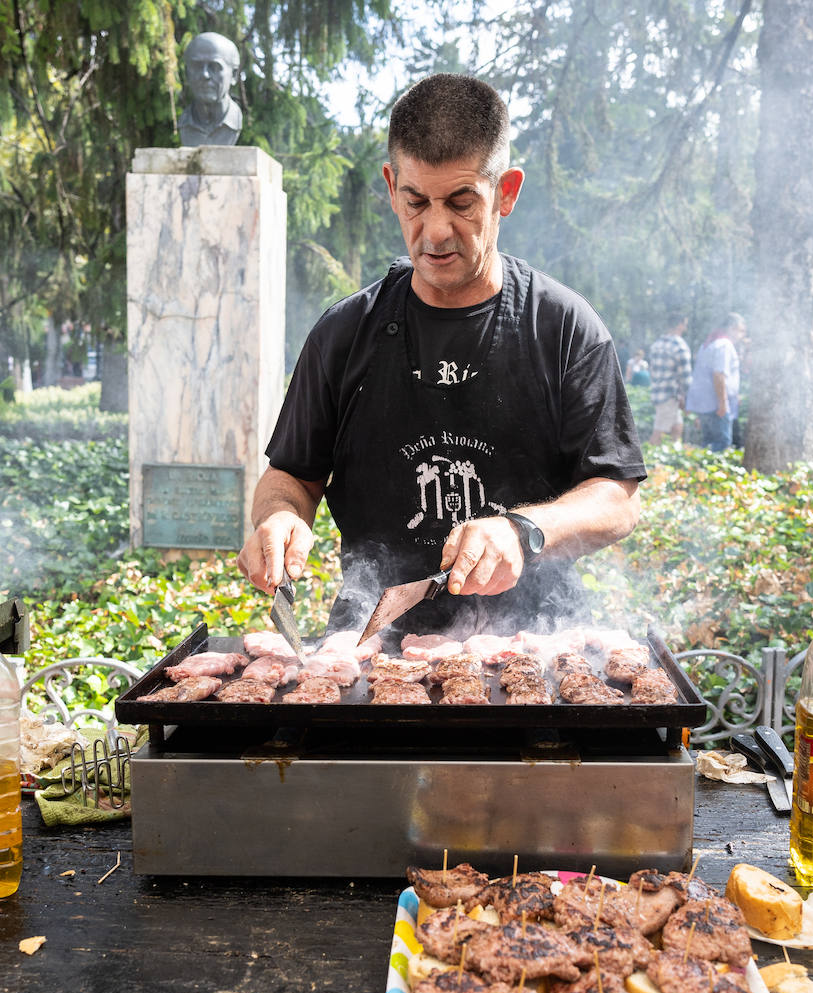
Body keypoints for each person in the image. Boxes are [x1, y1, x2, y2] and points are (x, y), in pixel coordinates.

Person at [237, 74, 645, 636]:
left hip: (535, 650)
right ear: (391, 186)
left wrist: (523, 529)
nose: (434, 232)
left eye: (461, 202)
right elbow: (291, 475)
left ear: (505, 192)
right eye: (416, 201)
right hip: (371, 649)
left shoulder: (564, 328)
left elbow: (617, 497)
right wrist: (279, 516)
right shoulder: (344, 333)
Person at [683, 313, 747, 452]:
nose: (742, 335)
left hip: (706, 403)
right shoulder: (724, 345)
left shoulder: (709, 343)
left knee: (709, 442)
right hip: (715, 404)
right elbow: (718, 375)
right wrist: (722, 403)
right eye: (741, 330)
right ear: (732, 328)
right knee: (721, 443)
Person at [178, 32, 243, 147]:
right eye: (197, 66)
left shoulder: (235, 120)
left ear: (233, 75)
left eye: (215, 67)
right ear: (187, 74)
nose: (205, 75)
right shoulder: (184, 122)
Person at [647, 312, 692, 444]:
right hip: (669, 395)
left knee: (677, 426)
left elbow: (652, 371)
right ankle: (646, 455)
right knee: (659, 433)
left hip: (659, 393)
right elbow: (685, 377)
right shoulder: (679, 346)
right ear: (679, 325)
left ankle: (674, 451)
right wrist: (689, 399)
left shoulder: (657, 344)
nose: (685, 328)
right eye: (685, 324)